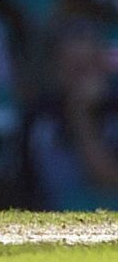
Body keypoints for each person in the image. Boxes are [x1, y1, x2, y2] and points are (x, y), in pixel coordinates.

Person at [19, 21, 118, 208]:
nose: (82, 80)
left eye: (88, 68)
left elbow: (109, 180)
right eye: (73, 68)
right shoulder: (38, 116)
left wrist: (80, 115)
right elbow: (25, 189)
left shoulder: (114, 108)